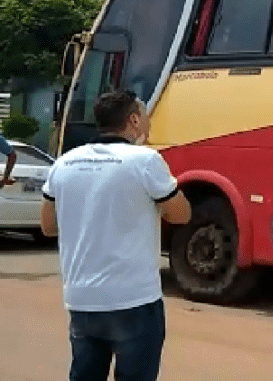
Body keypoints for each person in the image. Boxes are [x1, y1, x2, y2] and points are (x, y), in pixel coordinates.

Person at [40, 90, 192, 381]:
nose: (148, 125)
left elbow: (48, 227)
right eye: (145, 118)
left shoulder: (65, 163)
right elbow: (181, 214)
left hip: (82, 301)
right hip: (133, 301)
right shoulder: (145, 160)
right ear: (134, 120)